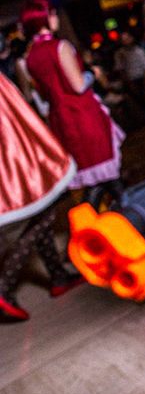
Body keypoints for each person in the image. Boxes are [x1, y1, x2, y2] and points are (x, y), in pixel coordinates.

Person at [19, 0, 124, 206]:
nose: (56, 17)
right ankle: (122, 216)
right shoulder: (60, 47)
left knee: (98, 180)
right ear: (43, 20)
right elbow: (78, 85)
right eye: (51, 14)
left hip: (61, 122)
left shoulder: (28, 59)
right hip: (83, 115)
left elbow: (41, 95)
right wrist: (92, 73)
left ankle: (115, 214)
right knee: (106, 179)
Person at [0, 71, 84, 321]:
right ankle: (4, 287)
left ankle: (58, 276)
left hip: (11, 142)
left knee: (41, 209)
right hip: (11, 148)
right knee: (44, 208)